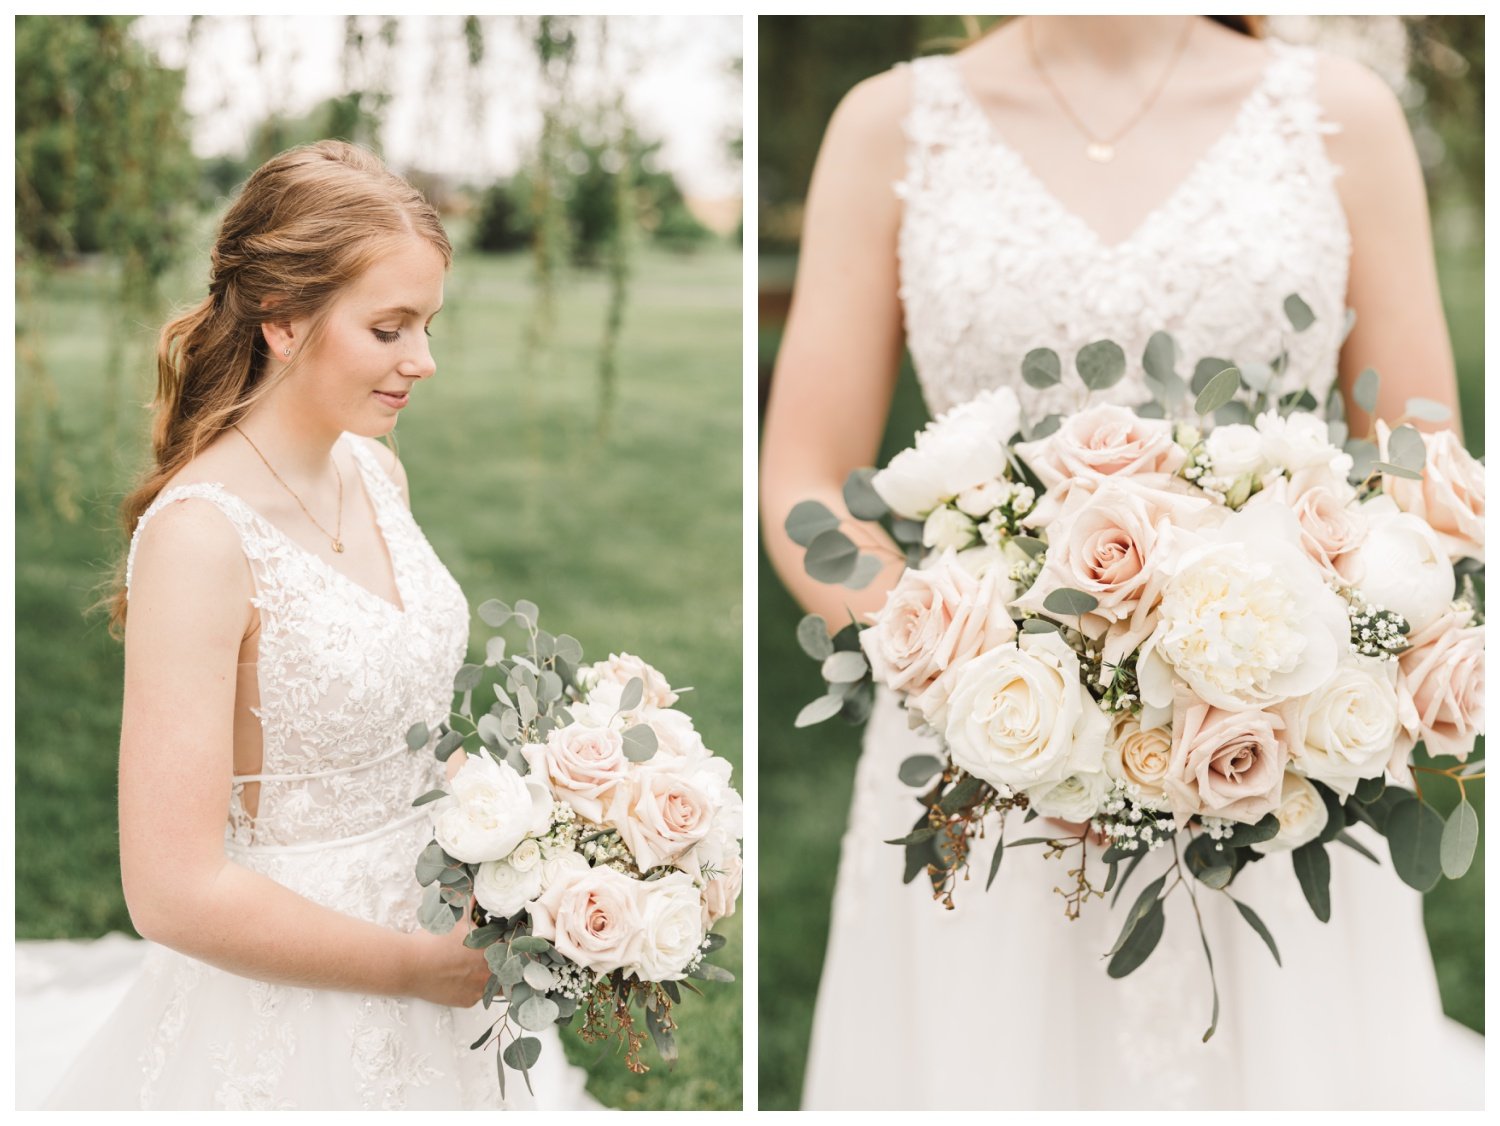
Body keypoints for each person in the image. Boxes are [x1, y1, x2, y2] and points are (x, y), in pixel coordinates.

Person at [761, 15, 1482, 1111]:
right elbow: (806, 476)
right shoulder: (893, 126)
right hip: (983, 757)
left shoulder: (1342, 114)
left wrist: (1319, 678)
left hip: (1279, 766)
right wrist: (963, 670)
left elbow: (1419, 467)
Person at [19, 141, 593, 1110]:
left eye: (427, 324)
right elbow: (171, 889)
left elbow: (396, 709)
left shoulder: (375, 471)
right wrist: (415, 968)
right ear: (283, 321)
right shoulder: (203, 539)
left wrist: (528, 821)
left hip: (438, 925)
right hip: (300, 998)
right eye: (389, 328)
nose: (424, 360)